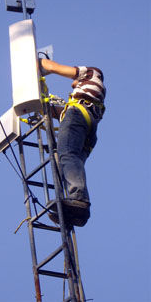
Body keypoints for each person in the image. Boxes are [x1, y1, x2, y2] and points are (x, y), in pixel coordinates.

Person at [39, 58, 106, 226]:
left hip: (78, 117)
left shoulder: (92, 73)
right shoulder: (87, 97)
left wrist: (36, 61)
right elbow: (58, 113)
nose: (71, 85)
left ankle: (78, 198)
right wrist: (40, 105)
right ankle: (77, 212)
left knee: (67, 156)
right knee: (64, 160)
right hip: (88, 127)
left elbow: (53, 67)